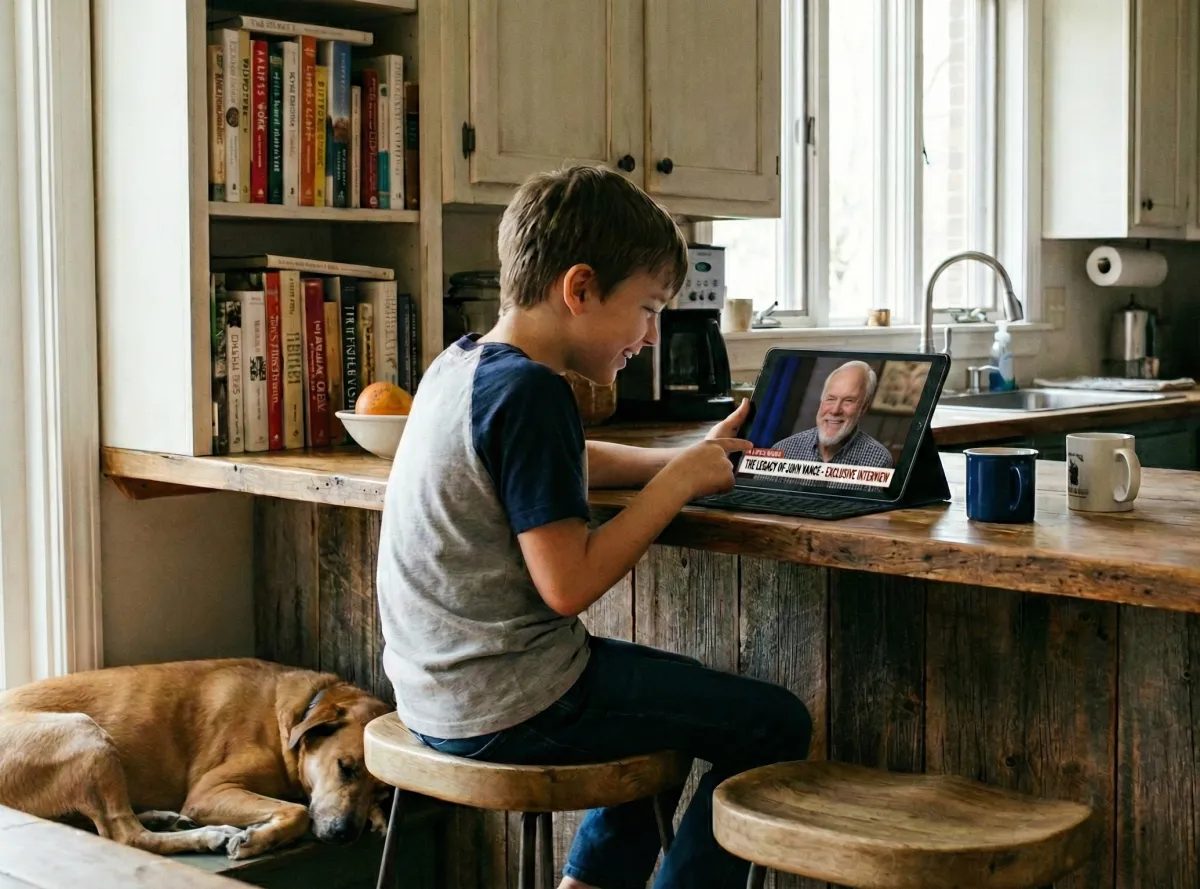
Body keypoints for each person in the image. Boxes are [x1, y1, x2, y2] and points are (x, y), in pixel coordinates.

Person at [376, 165, 812, 889]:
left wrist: (680, 456)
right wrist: (675, 483)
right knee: (774, 721)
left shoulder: (463, 364)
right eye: (645, 308)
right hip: (510, 702)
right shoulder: (534, 391)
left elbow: (555, 461)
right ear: (579, 289)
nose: (648, 334)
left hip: (435, 693)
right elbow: (567, 584)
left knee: (669, 692)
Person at [771, 360, 894, 469]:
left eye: (848, 401)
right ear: (822, 400)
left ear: (864, 407)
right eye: (831, 399)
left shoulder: (878, 460)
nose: (835, 410)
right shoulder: (783, 449)